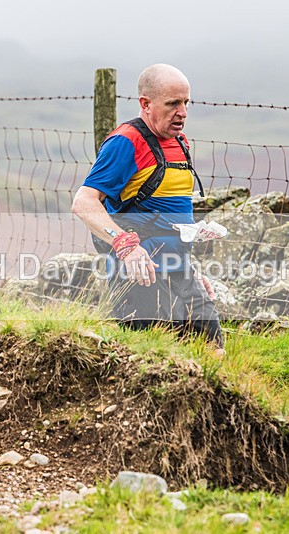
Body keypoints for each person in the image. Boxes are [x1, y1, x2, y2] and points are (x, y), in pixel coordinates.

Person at [71, 64, 224, 354]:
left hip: (180, 271)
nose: (183, 112)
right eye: (173, 104)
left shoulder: (179, 141)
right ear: (146, 104)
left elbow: (171, 215)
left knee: (213, 351)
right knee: (159, 360)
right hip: (141, 276)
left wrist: (192, 267)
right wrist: (126, 246)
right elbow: (84, 202)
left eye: (186, 102)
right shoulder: (126, 142)